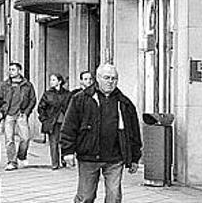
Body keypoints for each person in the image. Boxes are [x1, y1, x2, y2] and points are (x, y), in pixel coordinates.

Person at [61, 63, 142, 203]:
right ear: (98, 78)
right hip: (88, 156)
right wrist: (67, 151)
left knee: (114, 197)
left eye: (114, 78)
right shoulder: (81, 99)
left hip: (115, 158)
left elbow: (133, 132)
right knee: (86, 197)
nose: (110, 82)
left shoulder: (124, 103)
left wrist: (134, 157)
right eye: (106, 78)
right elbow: (69, 126)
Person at [0, 62, 36, 171]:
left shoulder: (27, 85)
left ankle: (21, 155)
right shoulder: (4, 85)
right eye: (10, 69)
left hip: (21, 114)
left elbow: (32, 99)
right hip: (8, 114)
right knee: (9, 139)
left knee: (25, 138)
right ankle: (12, 161)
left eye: (13, 69)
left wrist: (26, 112)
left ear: (19, 71)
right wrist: (2, 111)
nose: (11, 72)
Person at [38, 73, 71, 170]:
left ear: (59, 82)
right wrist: (44, 119)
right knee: (53, 142)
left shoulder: (67, 94)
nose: (51, 82)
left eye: (53, 80)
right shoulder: (47, 94)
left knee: (64, 141)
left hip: (65, 121)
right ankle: (55, 163)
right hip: (52, 122)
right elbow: (41, 108)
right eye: (51, 80)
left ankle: (64, 159)